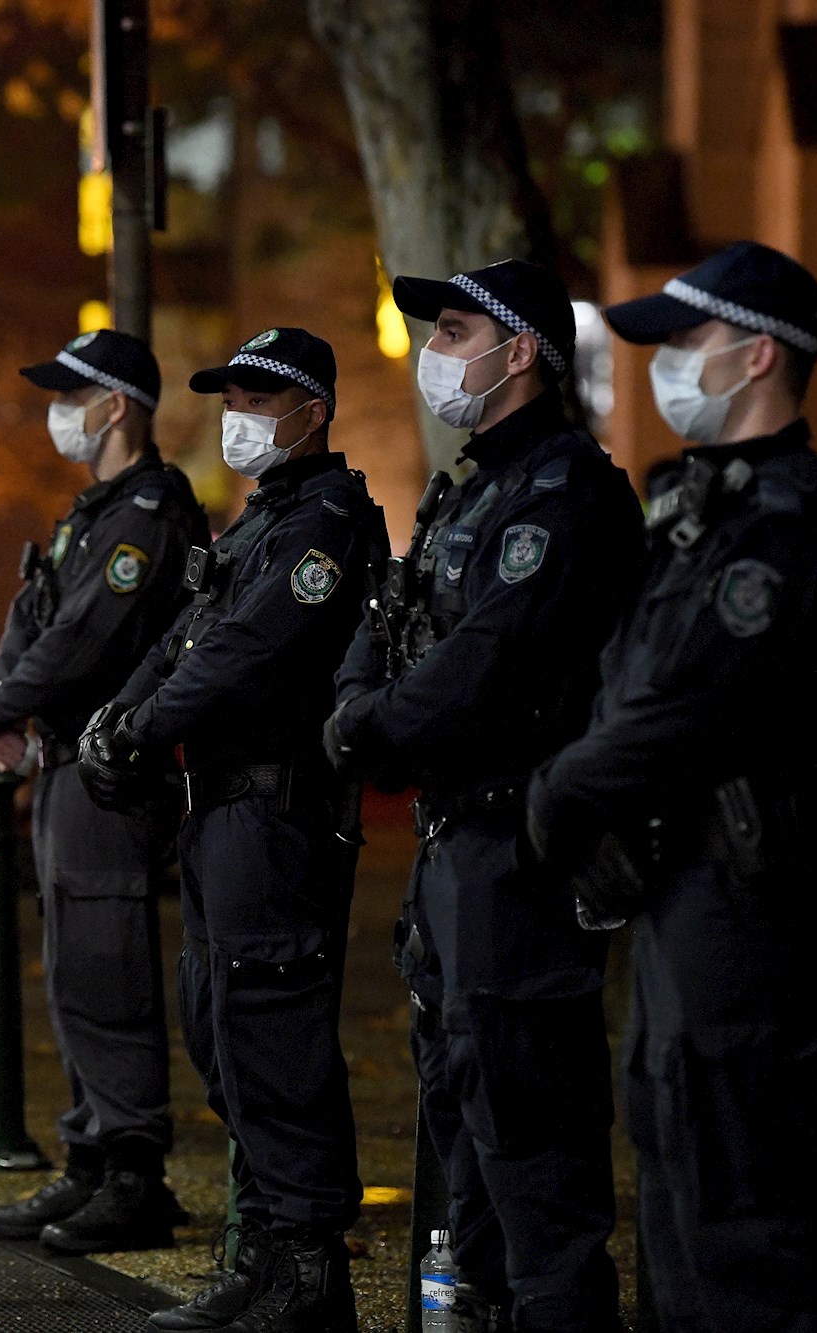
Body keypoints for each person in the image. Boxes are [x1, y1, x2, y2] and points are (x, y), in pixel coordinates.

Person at [528, 242, 817, 1332]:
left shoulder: (790, 514)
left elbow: (687, 703)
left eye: (684, 344)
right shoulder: (699, 508)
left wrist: (560, 790)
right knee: (674, 1152)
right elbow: (624, 672)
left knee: (739, 1191)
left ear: (756, 353)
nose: (664, 368)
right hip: (684, 884)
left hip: (754, 887)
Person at [325, 259, 644, 1332]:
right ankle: (481, 1306)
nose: (434, 353)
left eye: (455, 332)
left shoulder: (564, 492)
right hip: (453, 842)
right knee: (460, 1107)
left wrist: (369, 727)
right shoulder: (468, 488)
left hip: (521, 842)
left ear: (520, 353)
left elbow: (485, 659)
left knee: (527, 1119)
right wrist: (360, 703)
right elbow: (392, 624)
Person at [81, 328, 384, 1333]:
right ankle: (259, 1255)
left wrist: (145, 722)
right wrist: (120, 711)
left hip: (277, 810)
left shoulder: (328, 521)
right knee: (219, 1026)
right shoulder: (260, 521)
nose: (239, 413)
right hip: (219, 810)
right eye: (231, 396)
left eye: (261, 398)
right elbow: (182, 633)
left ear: (313, 412)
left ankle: (306, 1273)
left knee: (271, 1034)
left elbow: (247, 653)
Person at [0, 329, 207, 1253]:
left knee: (107, 966)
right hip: (66, 761)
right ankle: (91, 1157)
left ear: (118, 406)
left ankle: (134, 1173)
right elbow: (36, 619)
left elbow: (84, 640)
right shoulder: (93, 511)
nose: (56, 412)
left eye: (73, 395)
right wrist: (3, 705)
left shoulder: (147, 510)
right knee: (73, 966)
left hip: (114, 773)